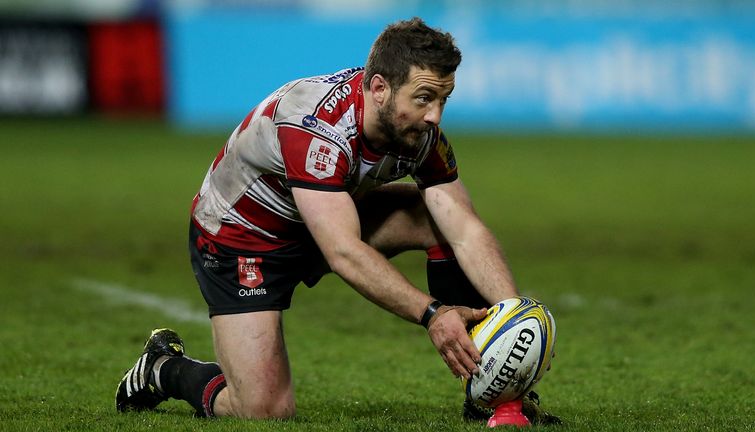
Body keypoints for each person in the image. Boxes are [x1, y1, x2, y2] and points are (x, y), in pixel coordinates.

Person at [115, 17, 559, 425]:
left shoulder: (418, 134)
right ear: (380, 88)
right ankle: (164, 369)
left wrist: (513, 314)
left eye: (443, 99)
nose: (435, 116)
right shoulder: (315, 126)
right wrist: (433, 314)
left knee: (435, 219)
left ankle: (483, 396)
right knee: (264, 410)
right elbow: (343, 252)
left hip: (326, 215)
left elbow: (464, 228)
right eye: (424, 98)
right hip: (242, 239)